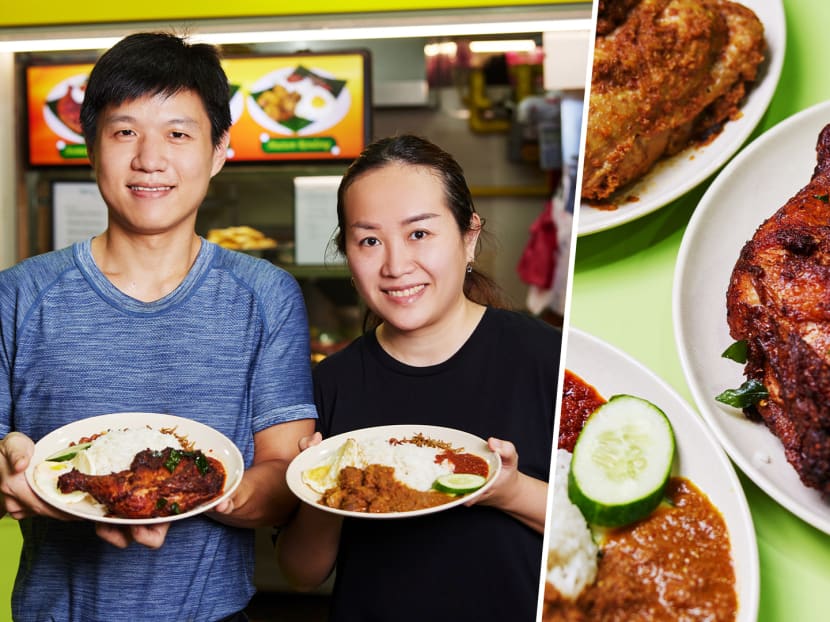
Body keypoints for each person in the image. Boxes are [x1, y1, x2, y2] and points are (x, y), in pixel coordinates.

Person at [0, 32, 317, 621]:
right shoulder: (19, 295)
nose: (150, 159)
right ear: (90, 145)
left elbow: (281, 479)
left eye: (178, 133)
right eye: (125, 131)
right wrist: (11, 474)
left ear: (220, 149)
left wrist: (184, 492)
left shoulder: (266, 296)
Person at [276, 134, 561, 622]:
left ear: (469, 237)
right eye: (369, 240)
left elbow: (603, 524)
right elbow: (301, 572)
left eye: (419, 234)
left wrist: (511, 491)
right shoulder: (332, 381)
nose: (395, 265)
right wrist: (321, 488)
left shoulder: (546, 356)